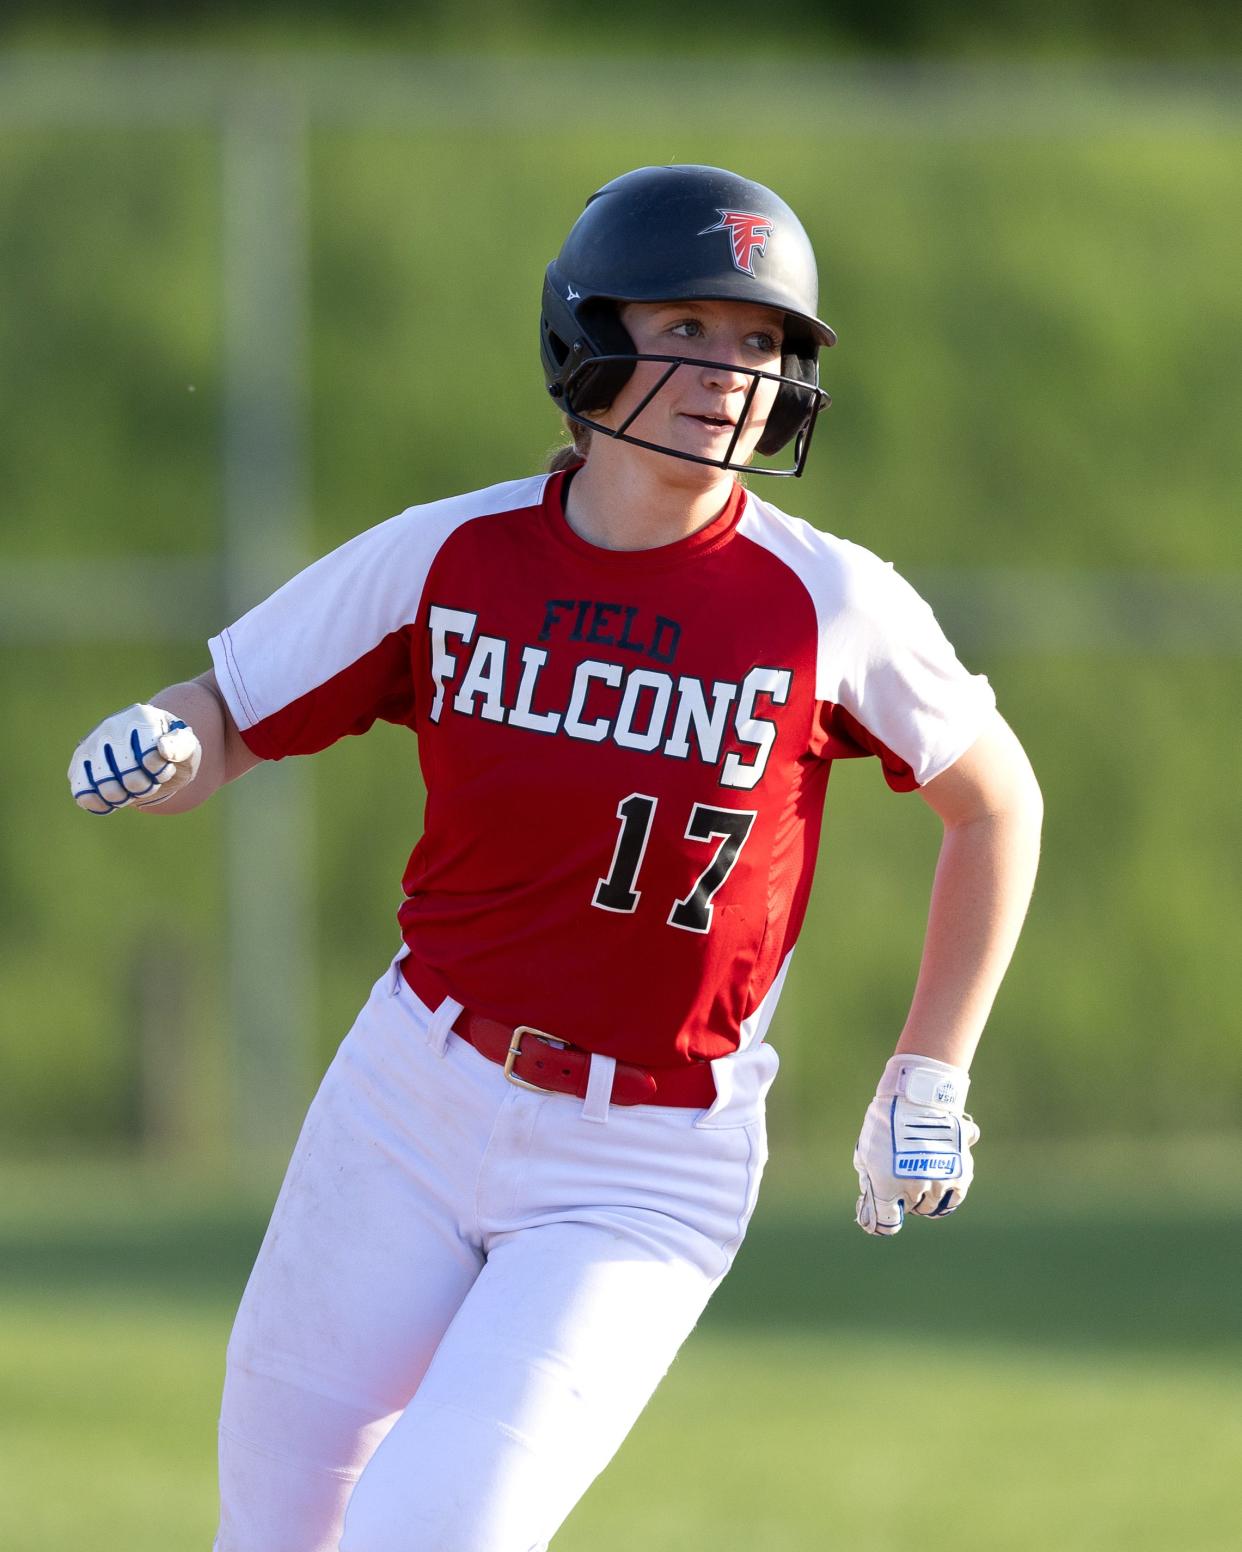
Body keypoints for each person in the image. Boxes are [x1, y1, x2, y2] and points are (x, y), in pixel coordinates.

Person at [68, 164, 1042, 1552]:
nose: (729, 372)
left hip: (645, 1154)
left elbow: (995, 804)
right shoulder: (449, 554)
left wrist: (929, 1064)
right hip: (409, 1097)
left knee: (433, 1535)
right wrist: (160, 743)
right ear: (582, 338)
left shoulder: (827, 597)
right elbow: (226, 715)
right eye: (688, 329)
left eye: (762, 342)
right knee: (276, 1531)